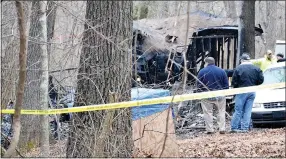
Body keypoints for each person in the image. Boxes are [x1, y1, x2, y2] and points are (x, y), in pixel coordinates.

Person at [231, 53, 264, 133]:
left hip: (241, 91)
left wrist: (236, 88)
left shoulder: (238, 69)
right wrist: (255, 85)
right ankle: (245, 128)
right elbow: (261, 80)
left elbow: (234, 82)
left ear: (241, 60)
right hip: (252, 91)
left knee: (238, 110)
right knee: (248, 111)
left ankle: (235, 127)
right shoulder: (256, 68)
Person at [197, 57, 229, 134]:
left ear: (206, 63)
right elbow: (226, 85)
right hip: (220, 96)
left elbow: (198, 86)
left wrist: (200, 93)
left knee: (208, 113)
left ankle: (210, 130)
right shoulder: (221, 71)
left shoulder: (202, 72)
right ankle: (222, 129)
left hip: (206, 96)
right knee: (221, 112)